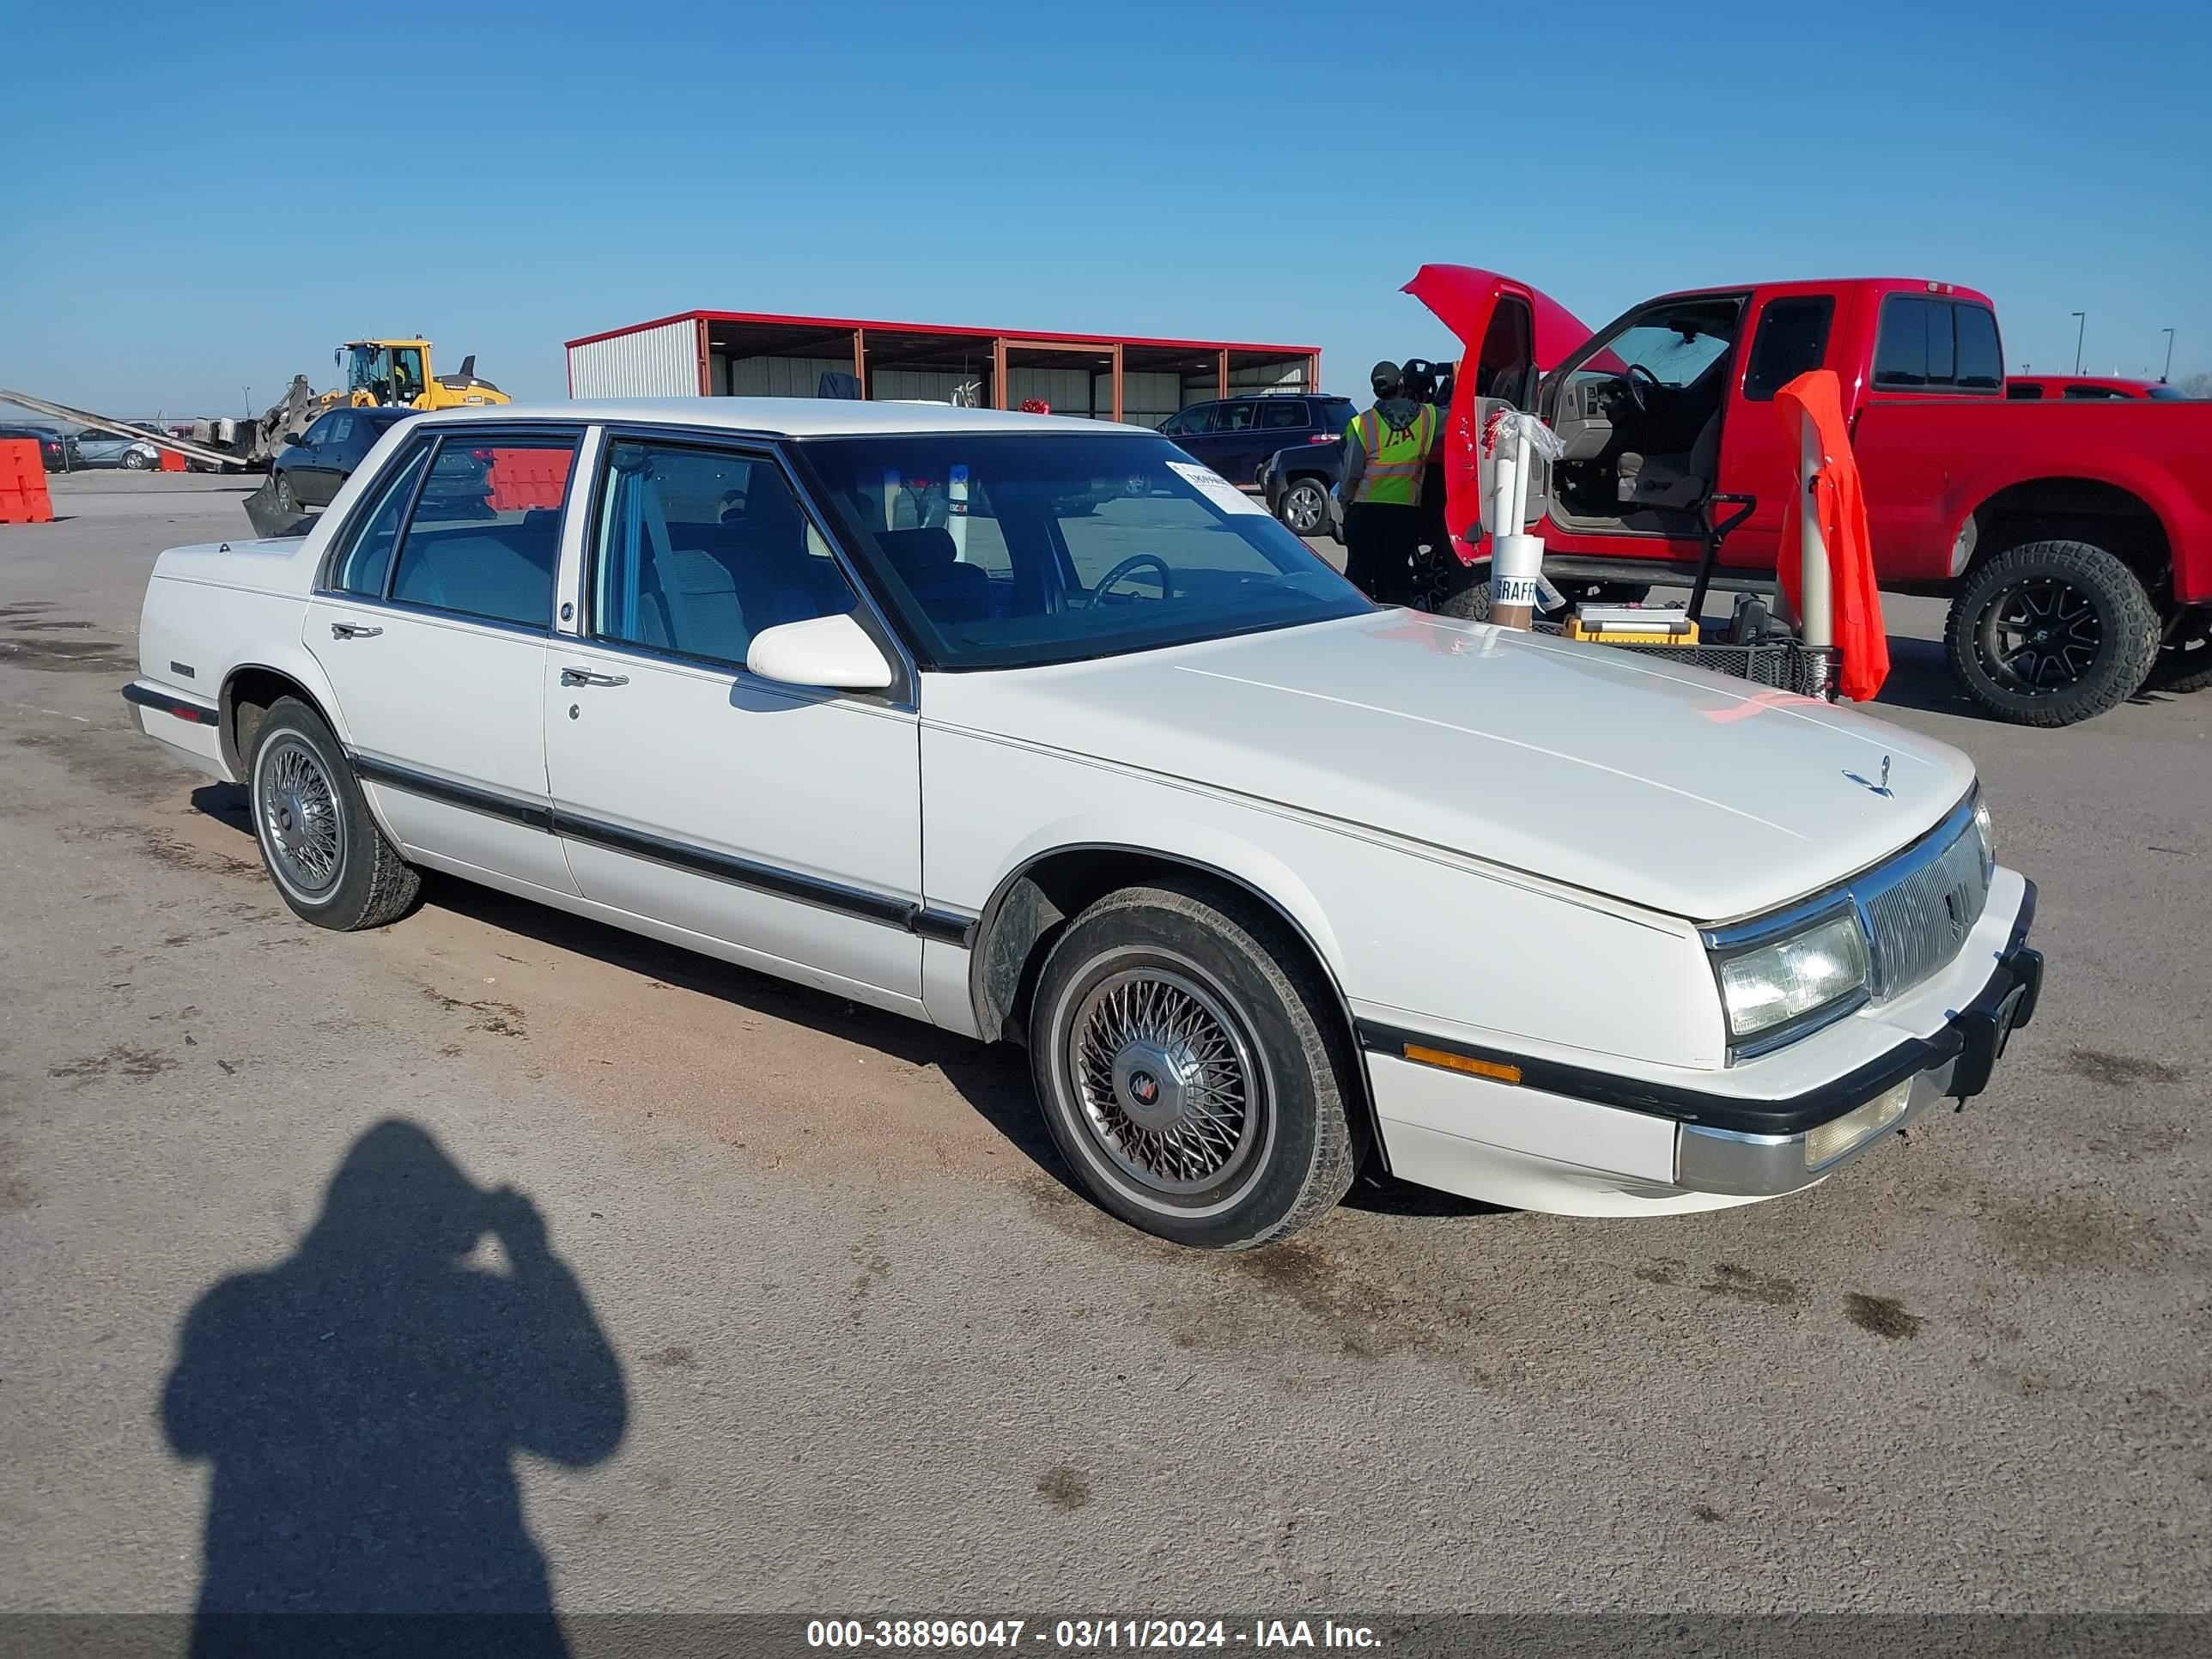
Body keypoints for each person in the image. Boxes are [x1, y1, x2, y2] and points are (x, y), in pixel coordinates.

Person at [1336, 362, 1439, 606]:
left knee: (1359, 574)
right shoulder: (1429, 416)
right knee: (1395, 573)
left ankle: (1354, 621)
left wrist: (1345, 502)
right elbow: (1457, 417)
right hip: (1404, 511)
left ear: (1375, 390)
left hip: (1365, 510)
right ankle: (1394, 628)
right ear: (1401, 383)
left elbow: (1351, 473)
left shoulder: (1362, 423)